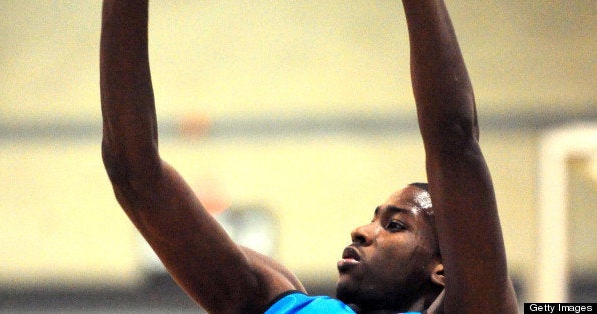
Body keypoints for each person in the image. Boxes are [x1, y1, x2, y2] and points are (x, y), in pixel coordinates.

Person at [100, 0, 518, 313]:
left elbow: (454, 140)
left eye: (394, 225)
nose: (360, 231)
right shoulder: (275, 300)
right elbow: (135, 176)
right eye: (374, 219)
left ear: (444, 270)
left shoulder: (475, 306)